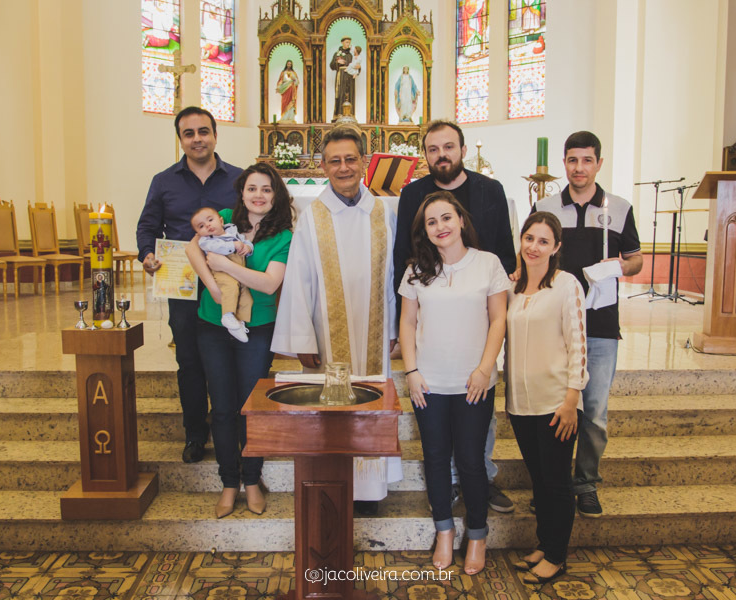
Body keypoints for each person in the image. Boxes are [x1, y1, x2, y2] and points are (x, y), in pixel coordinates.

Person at [272, 126, 402, 515]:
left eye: (350, 159)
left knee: (373, 398)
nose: (343, 167)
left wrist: (392, 329)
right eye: (335, 161)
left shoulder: (383, 211)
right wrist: (302, 339)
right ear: (323, 167)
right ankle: (335, 485)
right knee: (333, 406)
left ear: (364, 162)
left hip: (375, 333)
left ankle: (370, 490)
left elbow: (392, 276)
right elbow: (298, 279)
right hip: (326, 335)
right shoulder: (312, 216)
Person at [393, 119, 517, 514]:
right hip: (434, 329)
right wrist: (404, 335)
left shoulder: (489, 190)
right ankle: (446, 487)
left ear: (462, 150)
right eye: (433, 149)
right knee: (437, 440)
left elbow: (505, 254)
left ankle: (480, 479)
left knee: (477, 425)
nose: (441, 155)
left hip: (479, 317)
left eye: (448, 147)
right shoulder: (413, 194)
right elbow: (403, 256)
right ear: (425, 155)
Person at [533, 131, 642, 517]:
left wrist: (618, 267)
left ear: (599, 163)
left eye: (587, 160)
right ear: (564, 163)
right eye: (572, 160)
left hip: (600, 322)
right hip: (553, 323)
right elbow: (533, 254)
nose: (579, 168)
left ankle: (585, 483)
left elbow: (636, 259)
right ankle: (553, 483)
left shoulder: (620, 208)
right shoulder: (545, 206)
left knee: (594, 410)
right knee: (552, 406)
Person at [399, 191, 509, 575]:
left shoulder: (488, 263)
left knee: (471, 460)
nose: (440, 226)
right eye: (431, 222)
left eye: (446, 218)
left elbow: (498, 319)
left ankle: (477, 535)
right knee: (434, 457)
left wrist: (485, 368)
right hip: (428, 383)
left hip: (473, 382)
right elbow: (407, 323)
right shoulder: (416, 270)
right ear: (425, 231)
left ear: (461, 220)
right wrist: (411, 372)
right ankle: (444, 531)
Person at [185, 162, 295, 518]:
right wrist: (215, 288)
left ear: (275, 195)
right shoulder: (222, 218)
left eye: (266, 189)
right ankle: (229, 482)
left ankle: (251, 480)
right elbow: (192, 251)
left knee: (251, 406)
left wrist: (226, 266)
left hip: (257, 325)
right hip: (212, 324)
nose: (258, 195)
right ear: (242, 193)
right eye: (252, 188)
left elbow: (269, 284)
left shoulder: (283, 236)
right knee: (221, 407)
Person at [136, 106, 243, 465]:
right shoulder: (163, 181)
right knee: (189, 359)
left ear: (215, 135)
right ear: (180, 139)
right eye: (189, 133)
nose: (197, 139)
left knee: (230, 357)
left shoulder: (238, 179)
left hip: (227, 283)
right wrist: (147, 255)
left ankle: (234, 429)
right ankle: (195, 433)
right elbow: (147, 227)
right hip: (182, 285)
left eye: (203, 131)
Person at [507, 211, 587, 585]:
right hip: (520, 403)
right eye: (529, 238)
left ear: (556, 247)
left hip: (557, 402)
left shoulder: (566, 285)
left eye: (543, 241)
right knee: (539, 481)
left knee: (556, 482)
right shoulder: (512, 287)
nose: (534, 247)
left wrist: (572, 399)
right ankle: (544, 543)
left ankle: (556, 555)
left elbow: (578, 344)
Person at [189, 206, 253, 342]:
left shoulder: (232, 230)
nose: (208, 225)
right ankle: (227, 315)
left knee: (246, 297)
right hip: (221, 271)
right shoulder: (206, 240)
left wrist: (248, 247)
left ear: (221, 220)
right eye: (201, 226)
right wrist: (233, 246)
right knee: (230, 288)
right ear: (198, 232)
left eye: (210, 220)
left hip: (238, 269)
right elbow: (216, 247)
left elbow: (243, 240)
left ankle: (239, 323)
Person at [330, 37, 355, 121]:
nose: (348, 44)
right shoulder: (337, 54)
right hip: (341, 76)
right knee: (340, 94)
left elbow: (356, 65)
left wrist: (357, 69)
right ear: (342, 43)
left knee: (350, 94)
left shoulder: (350, 55)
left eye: (349, 42)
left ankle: (350, 114)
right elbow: (332, 65)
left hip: (350, 77)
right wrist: (337, 62)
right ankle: (339, 113)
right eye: (347, 42)